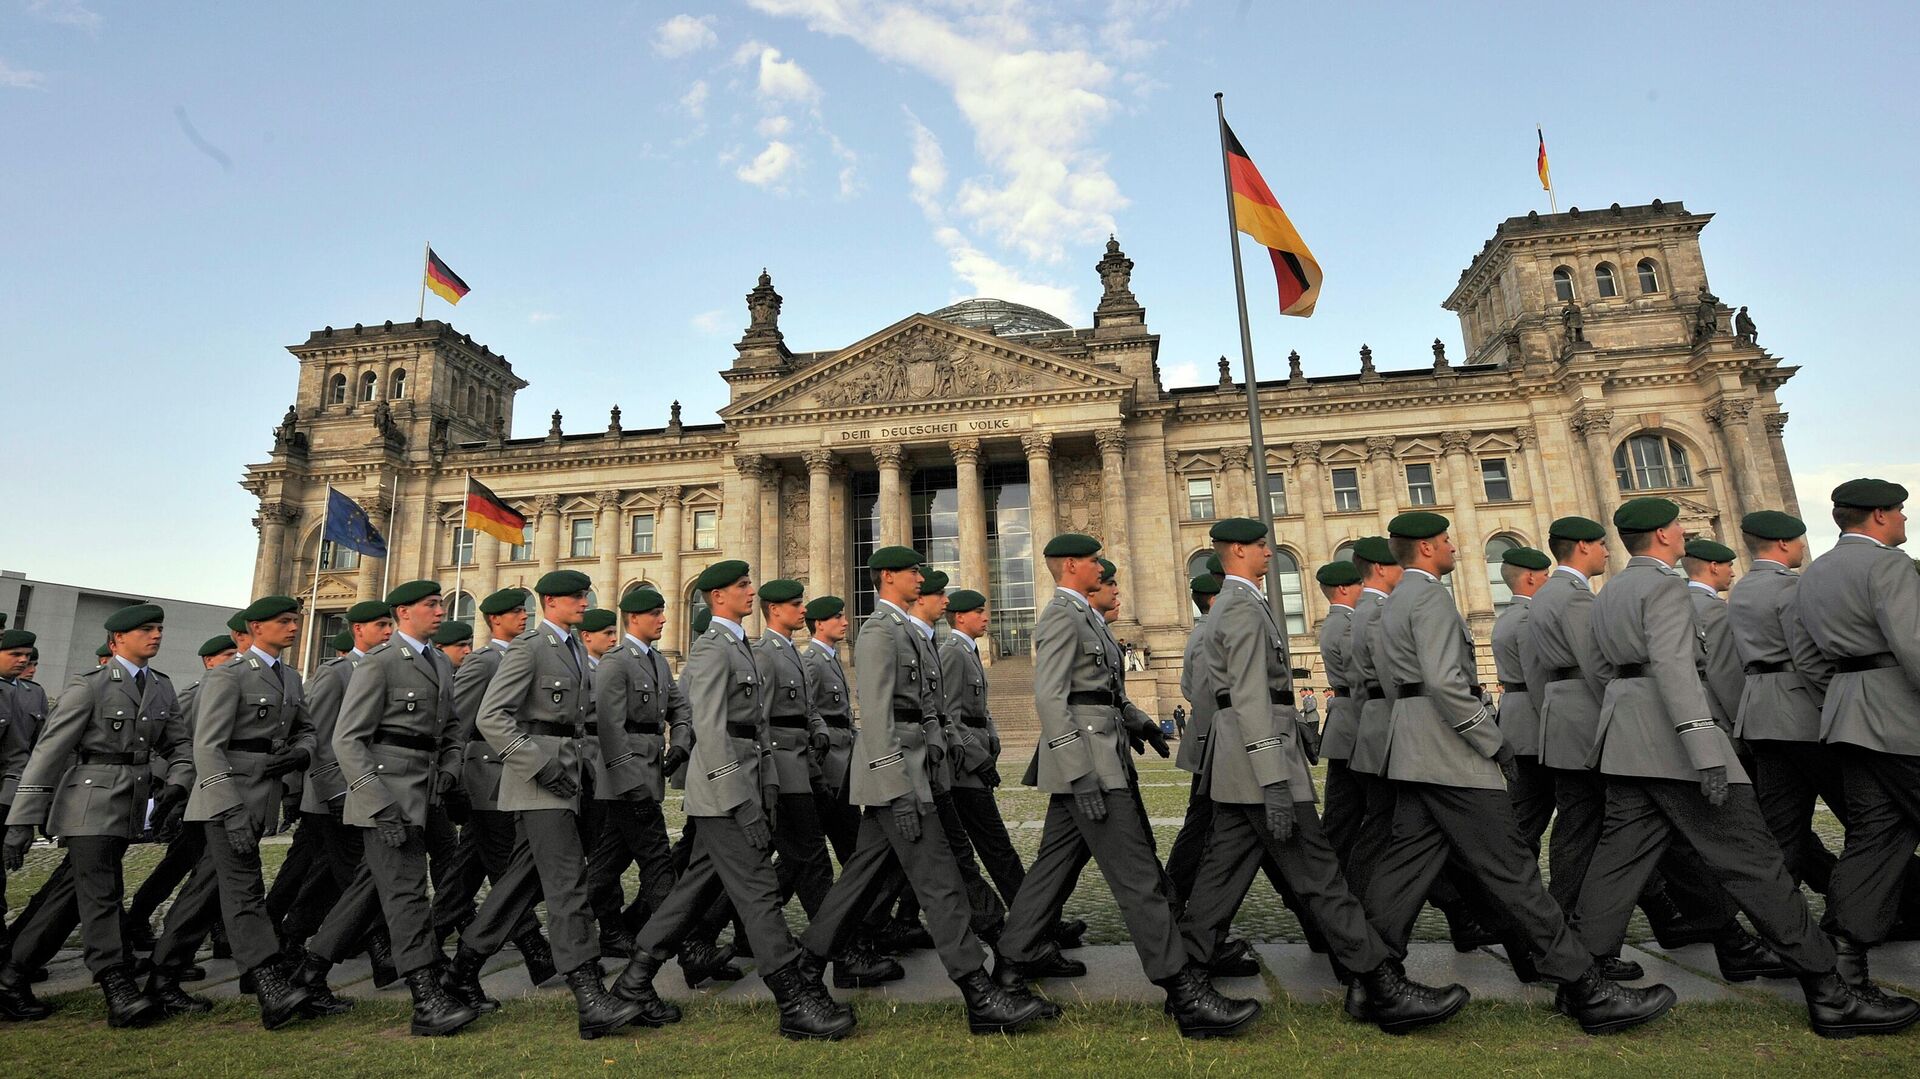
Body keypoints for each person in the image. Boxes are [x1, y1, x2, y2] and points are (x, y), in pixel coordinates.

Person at [1577, 496, 1916, 1038]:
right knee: (1756, 864)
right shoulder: (1665, 587)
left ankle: (1583, 985)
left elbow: (1600, 672)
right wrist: (1705, 750)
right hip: (1677, 744)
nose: (1683, 534)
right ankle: (1830, 993)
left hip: (1625, 739)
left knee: (1617, 865)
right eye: (1679, 527)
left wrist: (1629, 717)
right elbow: (1676, 669)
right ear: (1663, 536)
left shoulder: (1610, 591)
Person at [1364, 511, 1676, 1035]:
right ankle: (1586, 988)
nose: (1454, 547)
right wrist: (1491, 740)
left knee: (1402, 870)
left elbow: (1400, 684)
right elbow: (1445, 683)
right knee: (1513, 872)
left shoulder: (1395, 599)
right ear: (1426, 549)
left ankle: (1371, 982)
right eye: (1445, 540)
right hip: (1450, 754)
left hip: (1416, 747)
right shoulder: (1430, 597)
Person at [1177, 518, 1469, 1034]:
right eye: (1261, 545)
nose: (1270, 552)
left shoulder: (1239, 603)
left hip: (1245, 761)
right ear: (1238, 551)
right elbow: (1250, 697)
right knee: (1320, 877)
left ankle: (1186, 987)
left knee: (1220, 879)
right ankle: (1380, 986)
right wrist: (1273, 777)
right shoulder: (1241, 606)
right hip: (1261, 763)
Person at [996, 533, 1254, 1038]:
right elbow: (1052, 700)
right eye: (1094, 561)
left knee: (1051, 870)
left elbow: (1102, 692)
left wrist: (1140, 723)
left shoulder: (1086, 616)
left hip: (1103, 755)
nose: (1102, 569)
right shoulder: (1061, 617)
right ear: (1072, 565)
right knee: (1138, 880)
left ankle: (1009, 967)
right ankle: (1184, 993)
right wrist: (1079, 773)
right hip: (1091, 767)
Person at [785, 547, 1044, 1034]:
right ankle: (979, 991)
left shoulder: (906, 630)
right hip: (900, 777)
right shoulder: (879, 632)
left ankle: (802, 973)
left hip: (920, 771)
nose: (921, 578)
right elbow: (878, 717)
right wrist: (897, 788)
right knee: (940, 882)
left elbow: (926, 709)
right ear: (889, 576)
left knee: (858, 883)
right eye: (913, 571)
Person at [610, 559, 853, 1040]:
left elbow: (756, 728)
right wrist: (740, 800)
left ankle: (632, 983)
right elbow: (712, 731)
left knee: (691, 891)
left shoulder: (739, 646)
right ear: (718, 596)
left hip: (745, 785)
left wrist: (766, 785)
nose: (751, 590)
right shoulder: (710, 650)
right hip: (723, 794)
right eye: (743, 585)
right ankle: (793, 999)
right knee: (759, 891)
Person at [446, 570, 641, 1040]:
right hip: (539, 781)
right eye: (575, 596)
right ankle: (589, 995)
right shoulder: (530, 648)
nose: (584, 602)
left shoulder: (572, 648)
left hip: (570, 778)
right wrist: (536, 764)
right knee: (567, 883)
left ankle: (461, 971)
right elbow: (492, 717)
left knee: (519, 884)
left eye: (585, 594)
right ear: (549, 602)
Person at [297, 581, 477, 1037]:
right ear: (404, 613)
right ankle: (426, 996)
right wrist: (377, 803)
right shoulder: (379, 663)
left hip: (426, 794)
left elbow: (451, 730)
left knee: (369, 891)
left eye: (440, 604)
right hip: (388, 797)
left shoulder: (438, 662)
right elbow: (347, 740)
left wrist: (450, 769)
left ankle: (308, 976)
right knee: (407, 893)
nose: (440, 611)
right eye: (430, 605)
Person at [2, 606, 193, 1026]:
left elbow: (179, 745)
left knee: (71, 895)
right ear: (117, 640)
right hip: (87, 803)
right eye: (146, 629)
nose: (156, 635)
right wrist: (21, 820)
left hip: (129, 806)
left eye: (159, 629)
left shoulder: (160, 686)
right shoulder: (90, 686)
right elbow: (48, 754)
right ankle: (115, 983)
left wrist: (178, 782)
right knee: (103, 893)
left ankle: (11, 976)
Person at [1798, 479, 1920, 989]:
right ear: (1879, 516)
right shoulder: (1889, 565)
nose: (1905, 519)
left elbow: (1807, 658)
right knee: (1875, 837)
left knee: (1875, 839)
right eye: (1900, 511)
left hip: (1848, 715)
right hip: (1901, 716)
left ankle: (1842, 960)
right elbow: (1913, 644)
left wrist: (1848, 693)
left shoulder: (1815, 572)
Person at [181, 595, 318, 1028]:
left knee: (204, 890)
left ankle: (162, 974)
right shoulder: (229, 675)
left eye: (295, 620)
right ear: (256, 628)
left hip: (262, 797)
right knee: (245, 890)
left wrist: (301, 752)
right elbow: (208, 748)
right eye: (284, 621)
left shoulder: (289, 678)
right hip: (227, 799)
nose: (293, 627)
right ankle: (268, 983)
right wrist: (229, 810)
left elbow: (307, 730)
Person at [432, 588, 557, 988]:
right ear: (494, 620)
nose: (524, 616)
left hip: (509, 776)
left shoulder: (522, 655)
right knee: (507, 868)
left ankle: (426, 943)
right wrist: (454, 779)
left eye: (524, 610)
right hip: (486, 777)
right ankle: (535, 950)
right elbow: (458, 724)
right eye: (515, 612)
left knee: (465, 874)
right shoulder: (484, 662)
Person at [584, 588, 692, 962]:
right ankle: (685, 947)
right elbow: (610, 730)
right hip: (626, 781)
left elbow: (680, 710)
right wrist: (630, 783)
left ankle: (581, 931)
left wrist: (680, 744)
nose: (663, 619)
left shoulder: (658, 662)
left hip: (648, 775)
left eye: (663, 612)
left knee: (605, 868)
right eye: (655, 613)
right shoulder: (616, 663)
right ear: (633, 618)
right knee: (658, 861)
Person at [752, 580, 836, 926]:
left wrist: (818, 727)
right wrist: (768, 772)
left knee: (801, 854)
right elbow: (760, 718)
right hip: (783, 766)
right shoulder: (765, 654)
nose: (804, 610)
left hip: (804, 762)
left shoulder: (792, 652)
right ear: (774, 610)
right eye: (796, 604)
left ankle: (732, 930)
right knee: (810, 854)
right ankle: (832, 941)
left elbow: (807, 706)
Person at [1490, 547, 1554, 850]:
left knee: (1524, 809)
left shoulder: (1506, 617)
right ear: (1530, 578)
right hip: (1533, 723)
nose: (1549, 581)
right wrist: (1553, 721)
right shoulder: (1528, 619)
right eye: (1545, 575)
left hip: (1515, 720)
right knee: (1529, 813)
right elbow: (1537, 677)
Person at [1313, 561, 1366, 862]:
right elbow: (1360, 674)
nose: (1364, 589)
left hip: (1345, 723)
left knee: (1343, 810)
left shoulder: (1337, 622)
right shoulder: (1347, 624)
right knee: (1351, 811)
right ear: (1344, 589)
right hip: (1355, 721)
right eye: (1359, 584)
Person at [1682, 540, 1745, 734]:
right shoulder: (1713, 607)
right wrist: (1740, 718)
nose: (1732, 573)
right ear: (1714, 567)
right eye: (1729, 566)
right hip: (1716, 709)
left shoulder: (1676, 601)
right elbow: (1724, 668)